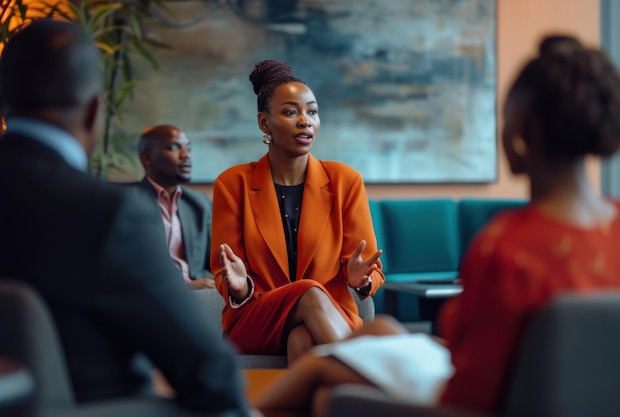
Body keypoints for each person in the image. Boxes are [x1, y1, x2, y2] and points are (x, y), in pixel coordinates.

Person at [252, 34, 620, 417]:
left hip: (472, 403)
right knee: (383, 331)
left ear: (522, 131)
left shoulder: (506, 247)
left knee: (322, 379)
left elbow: (467, 385)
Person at [0, 20, 251, 416]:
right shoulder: (107, 211)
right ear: (94, 110)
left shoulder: (194, 205)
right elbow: (208, 369)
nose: (185, 155)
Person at [211, 59, 384, 363]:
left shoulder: (346, 181)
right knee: (308, 291)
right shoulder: (232, 183)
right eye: (291, 112)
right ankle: (374, 376)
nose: (305, 121)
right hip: (256, 318)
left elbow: (371, 270)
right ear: (264, 123)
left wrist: (362, 280)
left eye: (312, 112)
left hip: (328, 315)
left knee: (301, 339)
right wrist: (238, 288)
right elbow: (224, 272)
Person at [131, 124, 215, 290]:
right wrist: (184, 287)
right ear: (147, 158)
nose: (186, 155)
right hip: (150, 298)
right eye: (174, 147)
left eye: (188, 148)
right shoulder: (127, 202)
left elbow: (216, 261)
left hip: (199, 297)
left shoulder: (199, 203)